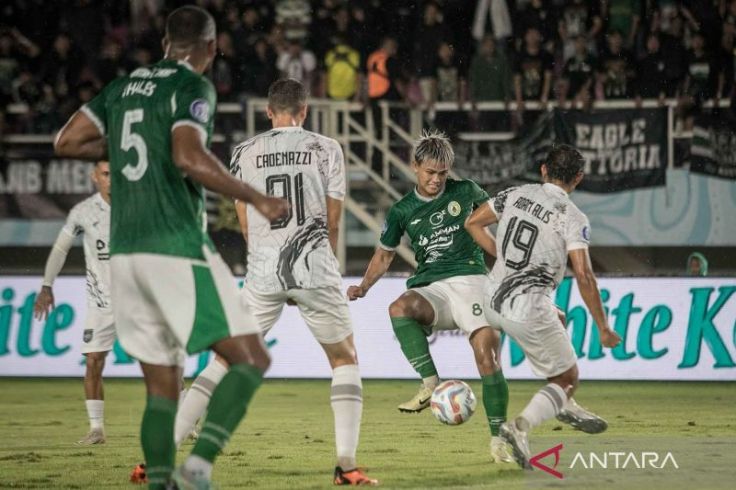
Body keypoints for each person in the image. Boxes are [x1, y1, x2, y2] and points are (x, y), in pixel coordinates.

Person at [53, 6, 288, 489]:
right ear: (209, 46)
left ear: (164, 42)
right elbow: (187, 155)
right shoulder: (191, 85)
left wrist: (123, 145)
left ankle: (161, 482)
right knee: (252, 360)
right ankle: (197, 469)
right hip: (173, 246)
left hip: (124, 256)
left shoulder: (122, 87)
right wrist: (256, 197)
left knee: (161, 389)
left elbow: (66, 141)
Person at [176, 78, 378, 486]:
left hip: (263, 270)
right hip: (314, 266)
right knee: (343, 360)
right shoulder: (327, 148)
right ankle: (346, 465)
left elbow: (247, 222)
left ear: (269, 112)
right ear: (305, 111)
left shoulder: (244, 152)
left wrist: (265, 265)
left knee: (224, 359)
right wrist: (320, 266)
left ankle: (159, 454)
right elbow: (334, 220)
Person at [347, 130, 513, 464]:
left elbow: (497, 223)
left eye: (442, 173)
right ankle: (430, 384)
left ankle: (499, 439)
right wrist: (364, 287)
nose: (436, 180)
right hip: (431, 287)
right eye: (430, 173)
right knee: (399, 307)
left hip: (472, 280)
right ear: (415, 167)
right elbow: (384, 255)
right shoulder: (401, 211)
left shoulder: (466, 191)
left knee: (487, 356)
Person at [464, 144, 622, 469]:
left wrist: (502, 258)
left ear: (543, 170)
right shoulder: (572, 217)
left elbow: (472, 223)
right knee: (567, 377)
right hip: (527, 307)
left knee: (558, 315)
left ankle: (564, 404)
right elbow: (584, 275)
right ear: (578, 178)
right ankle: (519, 427)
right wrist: (603, 328)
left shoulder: (515, 193)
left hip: (491, 297)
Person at [33, 160, 113, 446]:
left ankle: (185, 421)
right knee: (93, 361)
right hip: (101, 302)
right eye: (106, 174)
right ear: (95, 177)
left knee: (158, 362)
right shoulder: (83, 212)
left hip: (138, 299)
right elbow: (60, 248)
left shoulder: (138, 207)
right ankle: (96, 430)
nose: (111, 179)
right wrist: (46, 286)